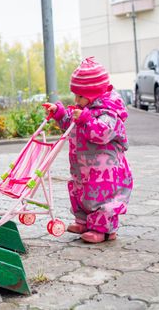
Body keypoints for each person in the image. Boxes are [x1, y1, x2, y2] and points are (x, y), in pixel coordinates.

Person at [43, 57, 133, 243]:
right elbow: (71, 122)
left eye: (80, 96)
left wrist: (86, 119)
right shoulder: (84, 108)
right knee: (81, 192)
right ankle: (84, 222)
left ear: (95, 93)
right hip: (83, 167)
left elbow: (102, 133)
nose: (76, 100)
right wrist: (60, 113)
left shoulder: (109, 112)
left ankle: (103, 230)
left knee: (102, 197)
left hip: (104, 172)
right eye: (75, 95)